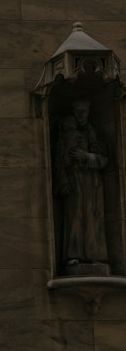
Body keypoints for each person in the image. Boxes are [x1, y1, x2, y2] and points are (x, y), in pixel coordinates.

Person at [54, 98, 109, 271]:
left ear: (88, 112)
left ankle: (96, 256)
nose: (80, 115)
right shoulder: (65, 135)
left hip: (92, 183)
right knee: (74, 215)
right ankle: (73, 255)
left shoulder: (94, 133)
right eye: (77, 111)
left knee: (94, 217)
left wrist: (85, 157)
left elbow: (104, 159)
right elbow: (58, 161)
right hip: (74, 180)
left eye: (83, 111)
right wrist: (63, 181)